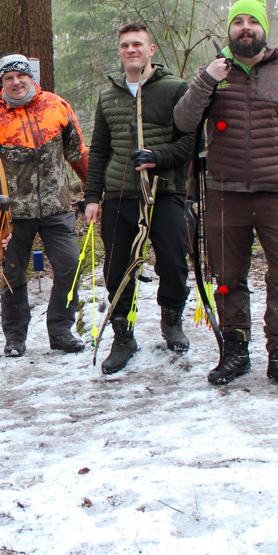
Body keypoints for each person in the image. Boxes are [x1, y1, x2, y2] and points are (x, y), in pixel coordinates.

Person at [173, 0, 278, 390]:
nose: (245, 28)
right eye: (237, 22)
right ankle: (235, 353)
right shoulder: (212, 74)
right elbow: (183, 122)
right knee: (227, 278)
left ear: (263, 30)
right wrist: (207, 79)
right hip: (224, 194)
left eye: (252, 22)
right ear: (230, 31)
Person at [83, 22, 194, 374]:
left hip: (165, 191)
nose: (131, 50)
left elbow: (192, 142)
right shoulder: (109, 97)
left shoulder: (176, 89)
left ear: (151, 50)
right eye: (125, 45)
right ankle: (123, 336)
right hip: (120, 195)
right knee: (117, 269)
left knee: (173, 261)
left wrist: (158, 158)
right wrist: (92, 197)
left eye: (137, 44)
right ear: (120, 52)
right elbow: (99, 150)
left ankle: (171, 322)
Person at [0, 53, 90, 357]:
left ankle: (61, 331)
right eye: (9, 78)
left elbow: (78, 153)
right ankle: (14, 337)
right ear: (2, 83)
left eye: (21, 76)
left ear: (30, 77)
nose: (16, 82)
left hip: (56, 208)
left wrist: (95, 191)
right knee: (12, 274)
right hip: (10, 214)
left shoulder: (56, 106)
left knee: (69, 266)